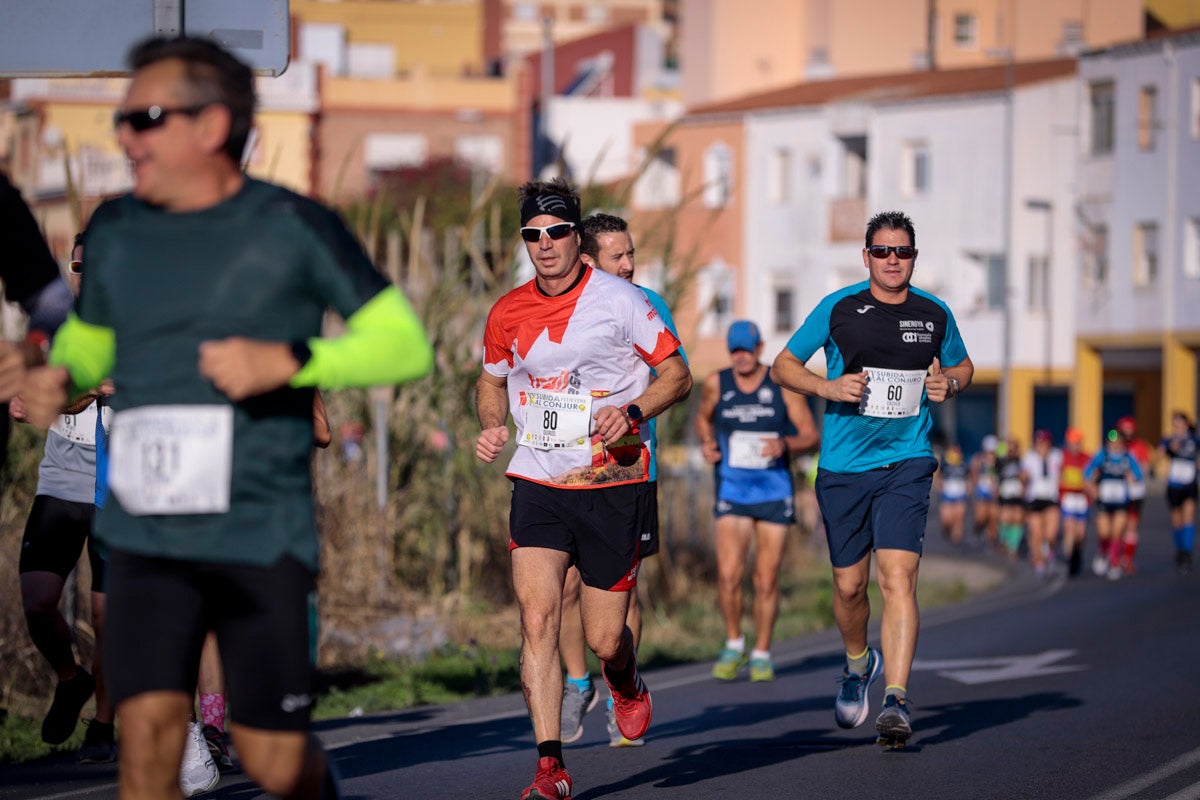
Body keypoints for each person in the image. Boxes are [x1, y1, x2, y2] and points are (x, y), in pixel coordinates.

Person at [20, 36, 432, 800]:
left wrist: (293, 360)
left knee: (274, 760)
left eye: (143, 118)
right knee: (147, 754)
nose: (124, 136)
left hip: (256, 532)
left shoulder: (291, 225)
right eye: (121, 119)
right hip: (145, 532)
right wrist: (53, 375)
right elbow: (90, 342)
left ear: (211, 124)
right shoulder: (117, 230)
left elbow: (403, 344)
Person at [475, 178, 690, 800]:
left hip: (612, 480)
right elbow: (491, 381)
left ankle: (623, 678)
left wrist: (634, 411)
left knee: (603, 638)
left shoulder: (621, 300)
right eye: (532, 235)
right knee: (537, 616)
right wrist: (492, 424)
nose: (544, 244)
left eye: (557, 232)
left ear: (577, 237)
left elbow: (677, 374)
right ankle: (550, 767)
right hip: (538, 478)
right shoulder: (507, 311)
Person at [771, 210, 973, 749]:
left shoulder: (933, 313)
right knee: (849, 586)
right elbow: (782, 366)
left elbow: (963, 366)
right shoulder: (839, 308)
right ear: (866, 257)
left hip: (907, 461)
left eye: (902, 252)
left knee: (898, 578)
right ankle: (858, 663)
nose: (892, 260)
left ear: (914, 257)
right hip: (843, 468)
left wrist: (950, 385)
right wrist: (827, 388)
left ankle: (897, 700)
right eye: (882, 251)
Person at [556, 212, 687, 748]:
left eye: (632, 253)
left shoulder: (647, 303)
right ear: (587, 260)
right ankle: (577, 683)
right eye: (619, 256)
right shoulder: (557, 303)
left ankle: (619, 691)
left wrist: (630, 410)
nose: (630, 265)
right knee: (565, 585)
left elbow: (674, 375)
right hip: (563, 465)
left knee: (621, 588)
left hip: (628, 464)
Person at [12, 234, 116, 763]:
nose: (86, 275)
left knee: (106, 616)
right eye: (78, 267)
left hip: (118, 481)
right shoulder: (57, 327)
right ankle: (70, 679)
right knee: (38, 601)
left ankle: (103, 724)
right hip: (62, 477)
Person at [697, 320, 818, 683]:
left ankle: (762, 653)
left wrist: (785, 444)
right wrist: (707, 442)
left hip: (773, 491)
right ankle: (734, 643)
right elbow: (703, 420)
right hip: (732, 490)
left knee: (765, 579)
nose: (741, 357)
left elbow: (811, 435)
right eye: (735, 350)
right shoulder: (717, 383)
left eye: (747, 350)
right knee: (729, 575)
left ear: (760, 349)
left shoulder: (780, 385)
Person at [1084, 429, 1144, 580]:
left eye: (1118, 442)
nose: (1115, 445)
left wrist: (1132, 478)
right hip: (1104, 501)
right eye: (1112, 442)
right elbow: (1087, 471)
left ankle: (1114, 562)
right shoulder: (1102, 455)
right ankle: (1103, 552)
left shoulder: (1127, 457)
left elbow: (1139, 473)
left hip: (1121, 501)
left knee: (1117, 532)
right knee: (1104, 532)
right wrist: (1092, 485)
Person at [1159, 411, 1198, 574]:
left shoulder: (1194, 440)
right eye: (1174, 424)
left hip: (1189, 483)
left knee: (1188, 517)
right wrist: (1169, 449)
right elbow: (1160, 455)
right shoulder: (1168, 440)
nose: (1177, 427)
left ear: (1186, 424)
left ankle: (1187, 553)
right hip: (1174, 484)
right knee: (1177, 520)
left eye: (1179, 423)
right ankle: (1180, 549)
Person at [1021, 430, 1063, 577]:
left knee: (1051, 533)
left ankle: (1049, 550)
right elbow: (1023, 477)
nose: (1042, 446)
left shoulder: (1057, 456)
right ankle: (1039, 561)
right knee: (1036, 532)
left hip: (1051, 498)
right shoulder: (1029, 458)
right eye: (1039, 443)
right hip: (1034, 499)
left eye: (1044, 443)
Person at [1115, 415, 1152, 575]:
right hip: (1117, 492)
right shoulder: (1115, 444)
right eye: (1125, 430)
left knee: (1131, 525)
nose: (1128, 433)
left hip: (1135, 492)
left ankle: (1128, 558)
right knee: (1117, 525)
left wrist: (1135, 475)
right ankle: (1114, 555)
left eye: (1130, 430)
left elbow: (1145, 466)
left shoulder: (1140, 446)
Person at [1058, 427, 1093, 577]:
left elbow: (1091, 477)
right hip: (1068, 498)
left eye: (1077, 443)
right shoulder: (1062, 457)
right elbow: (1057, 476)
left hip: (1082, 499)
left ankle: (1077, 553)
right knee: (1070, 530)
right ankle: (1069, 559)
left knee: (1081, 533)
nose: (1075, 446)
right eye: (1072, 443)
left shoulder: (1087, 458)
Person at [995, 438, 1026, 559]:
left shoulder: (1021, 462)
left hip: (1017, 493)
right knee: (1005, 518)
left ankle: (1014, 547)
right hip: (1005, 493)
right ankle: (1004, 540)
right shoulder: (1001, 462)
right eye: (1010, 448)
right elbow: (995, 476)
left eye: (1014, 448)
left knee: (1018, 519)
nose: (1012, 451)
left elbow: (1025, 476)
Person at [969, 435, 1000, 549]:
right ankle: (977, 532)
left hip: (993, 493)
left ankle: (991, 540)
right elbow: (973, 474)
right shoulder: (978, 459)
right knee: (981, 517)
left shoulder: (999, 461)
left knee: (993, 517)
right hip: (982, 491)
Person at [936, 443, 969, 547]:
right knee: (947, 520)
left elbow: (968, 478)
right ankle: (947, 531)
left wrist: (968, 488)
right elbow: (939, 476)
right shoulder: (945, 464)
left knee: (959, 518)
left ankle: (957, 539)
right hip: (947, 495)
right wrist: (939, 485)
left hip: (960, 495)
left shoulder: (964, 464)